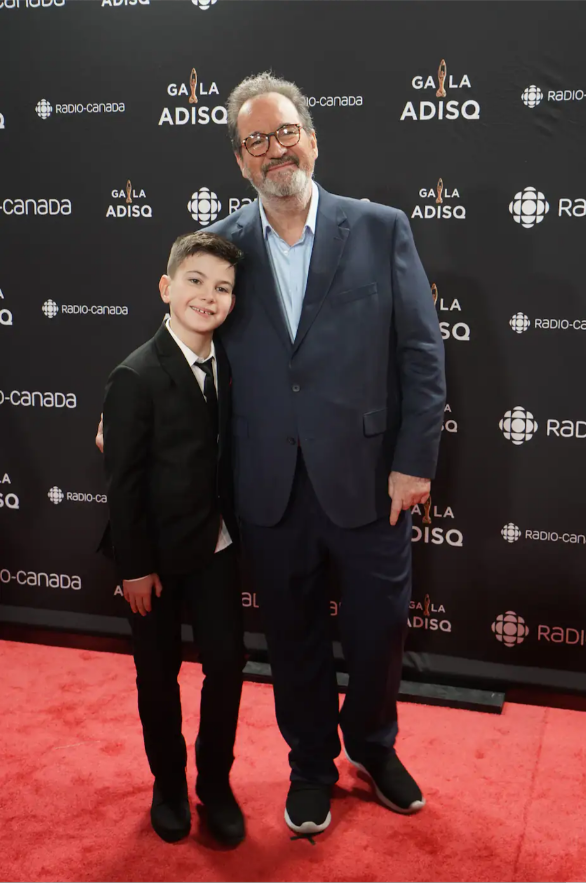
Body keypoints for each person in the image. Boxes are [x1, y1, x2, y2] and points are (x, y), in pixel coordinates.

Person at [206, 73, 446, 835]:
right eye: (256, 140)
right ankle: (310, 763)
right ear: (240, 160)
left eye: (285, 133)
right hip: (268, 484)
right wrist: (128, 409)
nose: (274, 150)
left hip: (372, 480)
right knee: (293, 637)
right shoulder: (220, 245)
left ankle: (373, 746)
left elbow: (421, 353)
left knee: (379, 631)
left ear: (312, 138)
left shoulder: (380, 228)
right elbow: (188, 341)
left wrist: (414, 461)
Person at [101, 231, 246, 845]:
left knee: (228, 665)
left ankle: (215, 782)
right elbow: (124, 484)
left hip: (215, 547)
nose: (208, 297)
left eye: (223, 288)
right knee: (157, 675)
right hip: (154, 560)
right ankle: (168, 783)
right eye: (195, 281)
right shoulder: (134, 375)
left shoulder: (231, 364)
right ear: (166, 287)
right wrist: (134, 568)